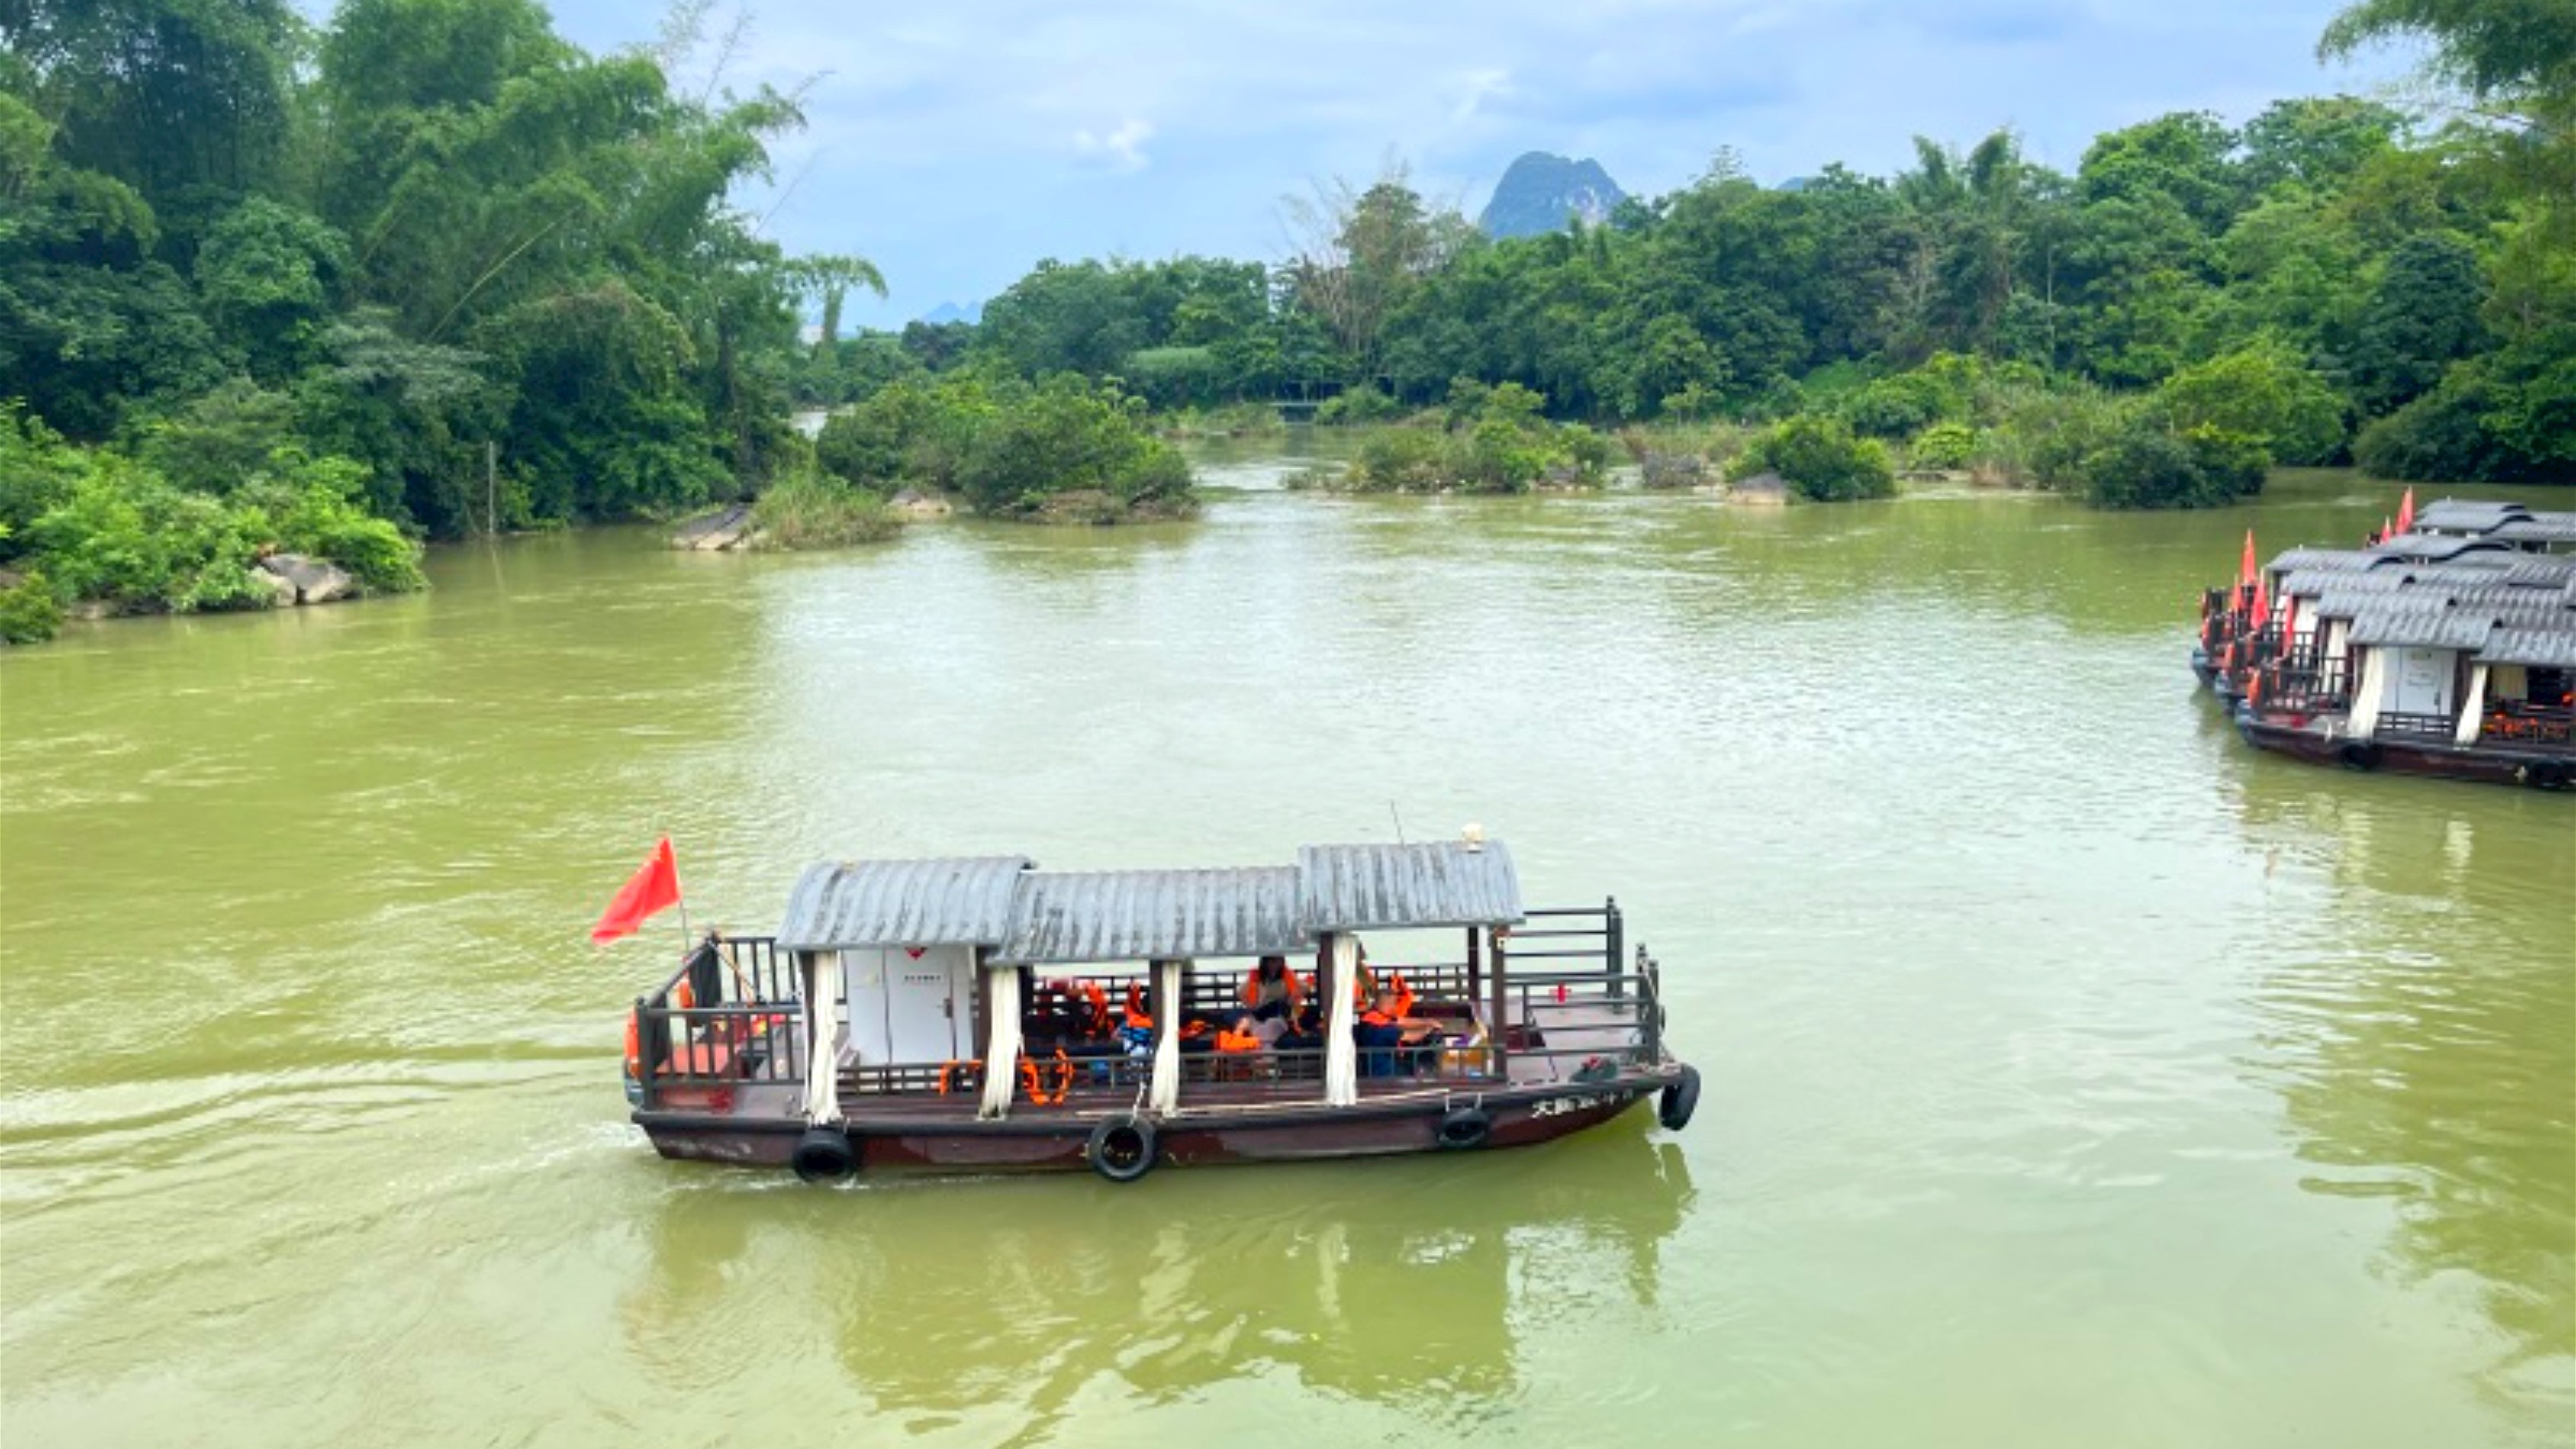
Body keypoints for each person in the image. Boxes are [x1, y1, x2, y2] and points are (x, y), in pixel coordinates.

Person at [1353, 989, 1441, 1078]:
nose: (1395, 1007)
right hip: (1383, 1071)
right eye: (1394, 1003)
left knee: (1410, 1062)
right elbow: (1412, 1037)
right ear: (1388, 1004)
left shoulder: (1370, 1018)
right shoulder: (1382, 1027)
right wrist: (1427, 1031)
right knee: (1421, 1069)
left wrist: (1429, 1022)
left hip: (1370, 1067)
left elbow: (1403, 1021)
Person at [1240, 956, 1304, 1020]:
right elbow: (1240, 992)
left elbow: (1304, 987)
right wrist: (1251, 1006)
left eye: (1279, 961)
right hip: (1263, 1011)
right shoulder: (1256, 975)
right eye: (1272, 961)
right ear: (1265, 962)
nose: (1275, 965)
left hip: (1283, 1010)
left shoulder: (1287, 974)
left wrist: (1292, 999)